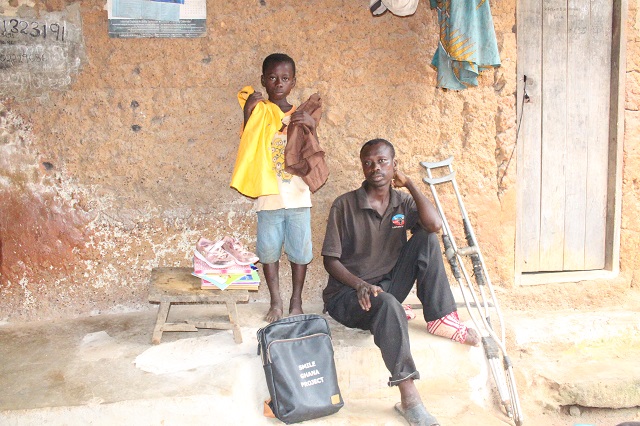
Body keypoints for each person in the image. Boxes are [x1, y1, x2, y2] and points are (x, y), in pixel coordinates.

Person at [321, 138, 480, 425]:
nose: (375, 168)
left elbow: (434, 225)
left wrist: (411, 185)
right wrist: (359, 284)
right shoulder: (344, 205)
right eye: (368, 162)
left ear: (394, 165)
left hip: (388, 285)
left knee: (426, 239)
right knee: (387, 305)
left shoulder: (402, 202)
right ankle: (410, 398)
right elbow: (330, 261)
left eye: (382, 161)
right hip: (349, 295)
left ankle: (440, 318)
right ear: (362, 167)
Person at [231, 53, 319, 323]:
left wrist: (312, 126)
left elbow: (312, 151)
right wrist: (247, 111)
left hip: (298, 198)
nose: (278, 83)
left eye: (284, 78)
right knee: (268, 252)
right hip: (268, 198)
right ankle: (276, 302)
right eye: (272, 78)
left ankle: (296, 301)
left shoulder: (302, 114)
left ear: (293, 82)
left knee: (300, 253)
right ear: (263, 81)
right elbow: (248, 143)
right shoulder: (260, 112)